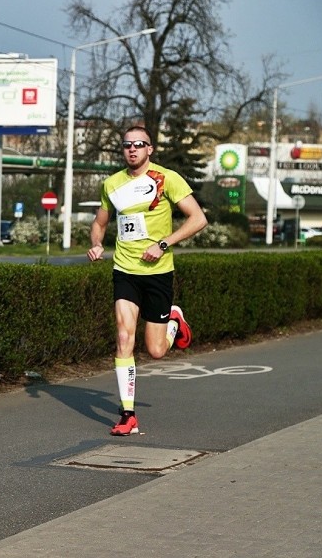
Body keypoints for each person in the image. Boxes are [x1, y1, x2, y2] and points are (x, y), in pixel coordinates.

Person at [87, 125, 208, 436]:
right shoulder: (111, 184)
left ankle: (174, 320)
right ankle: (128, 414)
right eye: (127, 144)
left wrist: (164, 243)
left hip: (158, 272)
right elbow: (100, 222)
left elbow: (198, 219)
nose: (132, 149)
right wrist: (97, 243)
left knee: (155, 351)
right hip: (125, 270)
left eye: (139, 144)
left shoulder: (166, 178)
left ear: (150, 149)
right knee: (124, 337)